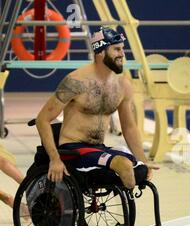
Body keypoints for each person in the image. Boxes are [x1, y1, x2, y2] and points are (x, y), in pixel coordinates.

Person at [36, 27, 158, 189]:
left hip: (98, 149)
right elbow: (42, 119)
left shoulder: (122, 85)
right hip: (74, 150)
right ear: (100, 52)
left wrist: (143, 159)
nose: (122, 54)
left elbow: (129, 127)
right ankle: (133, 202)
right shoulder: (76, 82)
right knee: (124, 165)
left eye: (122, 49)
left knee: (140, 167)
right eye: (116, 49)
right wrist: (55, 159)